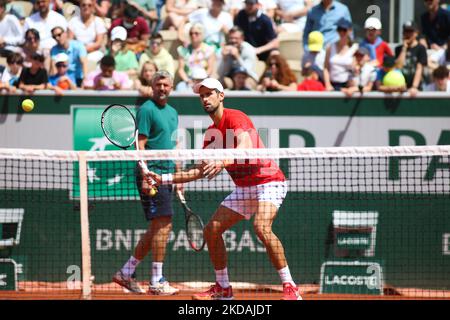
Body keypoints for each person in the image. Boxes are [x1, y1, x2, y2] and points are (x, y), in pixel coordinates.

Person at [145, 77, 302, 300]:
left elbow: (245, 147)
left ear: (221, 96)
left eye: (210, 93)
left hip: (269, 182)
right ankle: (223, 287)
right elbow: (198, 171)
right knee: (211, 230)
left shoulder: (236, 117)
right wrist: (163, 179)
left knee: (261, 227)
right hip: (245, 188)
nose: (205, 98)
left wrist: (222, 161)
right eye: (202, 95)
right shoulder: (210, 135)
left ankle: (290, 287)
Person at [112, 70, 181, 296]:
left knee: (158, 227)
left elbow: (173, 145)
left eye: (166, 85)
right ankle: (156, 280)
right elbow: (139, 146)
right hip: (151, 174)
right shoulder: (146, 110)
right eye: (158, 84)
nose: (162, 88)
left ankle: (127, 271)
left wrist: (179, 175)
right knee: (164, 224)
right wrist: (145, 174)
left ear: (172, 87)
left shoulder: (173, 113)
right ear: (152, 86)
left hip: (168, 174)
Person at [176, 23, 216, 91]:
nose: (193, 35)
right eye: (191, 33)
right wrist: (188, 81)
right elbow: (180, 70)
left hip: (204, 78)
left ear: (202, 35)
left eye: (196, 33)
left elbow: (210, 68)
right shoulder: (183, 50)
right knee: (180, 87)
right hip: (189, 79)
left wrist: (201, 80)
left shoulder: (209, 49)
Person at [323, 18, 358, 91]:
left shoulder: (355, 48)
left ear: (350, 31)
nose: (341, 32)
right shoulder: (330, 47)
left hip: (349, 86)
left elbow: (357, 67)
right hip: (333, 86)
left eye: (344, 30)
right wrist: (328, 84)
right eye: (339, 29)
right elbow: (326, 68)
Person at [394, 21, 428, 97]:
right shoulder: (398, 49)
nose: (408, 34)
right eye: (406, 31)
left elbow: (419, 68)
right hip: (400, 88)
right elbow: (398, 67)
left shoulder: (421, 48)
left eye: (410, 31)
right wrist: (404, 49)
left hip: (415, 90)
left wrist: (414, 87)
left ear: (416, 33)